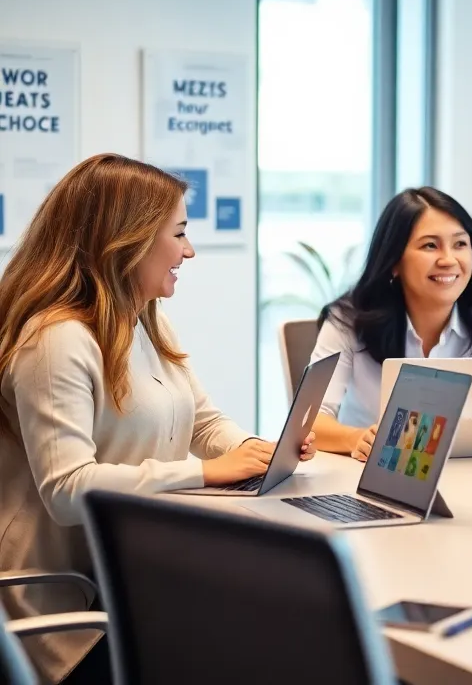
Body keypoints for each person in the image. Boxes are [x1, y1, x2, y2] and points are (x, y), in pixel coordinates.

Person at [0, 153, 313, 684]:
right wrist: (207, 472)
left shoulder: (139, 319)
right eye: (179, 234)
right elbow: (68, 488)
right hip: (67, 617)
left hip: (128, 580)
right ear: (128, 239)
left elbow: (203, 423)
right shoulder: (56, 340)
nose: (188, 251)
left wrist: (258, 451)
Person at [310, 187, 472, 461]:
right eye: (430, 245)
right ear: (394, 262)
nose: (448, 260)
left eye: (460, 244)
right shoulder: (348, 320)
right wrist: (357, 439)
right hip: (364, 477)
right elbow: (311, 421)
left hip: (467, 475)